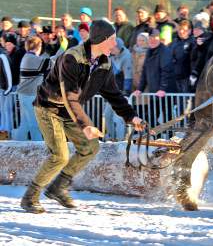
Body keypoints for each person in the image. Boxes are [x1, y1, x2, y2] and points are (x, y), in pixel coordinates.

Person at [20, 19, 145, 214]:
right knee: (60, 155)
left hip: (70, 111)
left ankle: (57, 187)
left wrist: (131, 117)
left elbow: (113, 94)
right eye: (112, 39)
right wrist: (86, 125)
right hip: (49, 108)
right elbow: (69, 96)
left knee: (90, 147)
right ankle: (30, 197)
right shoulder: (72, 58)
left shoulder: (104, 63)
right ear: (101, 40)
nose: (115, 43)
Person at [134, 29, 177, 127]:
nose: (152, 40)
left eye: (155, 38)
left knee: (167, 118)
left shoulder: (164, 51)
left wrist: (162, 88)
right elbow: (145, 71)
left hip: (166, 92)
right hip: (154, 92)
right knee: (151, 117)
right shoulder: (149, 51)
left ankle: (169, 138)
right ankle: (156, 137)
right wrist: (140, 89)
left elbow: (166, 71)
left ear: (159, 39)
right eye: (151, 38)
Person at [13, 37, 50, 141]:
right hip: (29, 96)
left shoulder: (29, 57)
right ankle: (38, 148)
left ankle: (16, 146)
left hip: (26, 95)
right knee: (35, 124)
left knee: (25, 124)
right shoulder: (32, 58)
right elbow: (51, 62)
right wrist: (63, 47)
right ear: (39, 46)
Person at [171, 20, 195, 93]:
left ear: (190, 31)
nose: (181, 32)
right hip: (175, 76)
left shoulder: (193, 42)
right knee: (178, 100)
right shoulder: (175, 42)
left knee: (186, 100)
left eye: (184, 30)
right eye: (180, 29)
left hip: (187, 77)